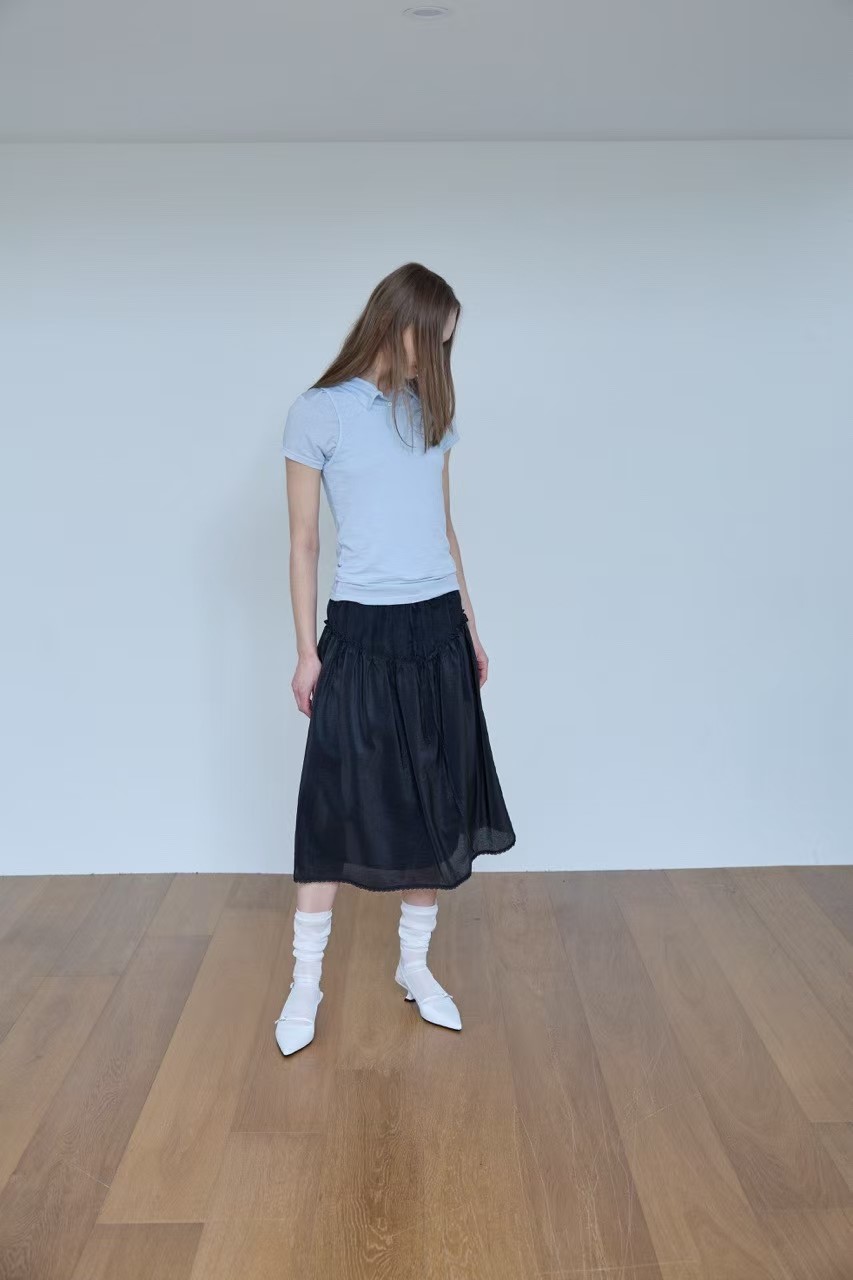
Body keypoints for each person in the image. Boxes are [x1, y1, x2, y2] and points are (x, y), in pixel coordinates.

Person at [274, 262, 515, 1055]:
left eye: (446, 346)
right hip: (361, 630)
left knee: (433, 803)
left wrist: (471, 628)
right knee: (330, 806)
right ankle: (305, 983)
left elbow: (443, 531)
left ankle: (414, 965)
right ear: (394, 321)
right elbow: (303, 542)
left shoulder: (430, 414)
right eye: (430, 341)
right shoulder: (319, 412)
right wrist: (305, 651)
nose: (435, 358)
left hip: (436, 625)